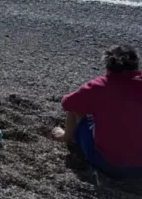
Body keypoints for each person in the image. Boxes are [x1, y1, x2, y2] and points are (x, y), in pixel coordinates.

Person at [52, 45, 142, 176]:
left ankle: (66, 137)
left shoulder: (99, 86)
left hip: (108, 163)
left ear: (107, 65)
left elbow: (67, 104)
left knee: (77, 107)